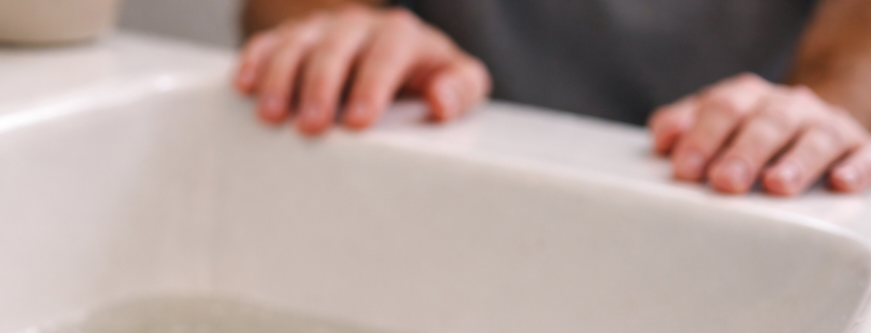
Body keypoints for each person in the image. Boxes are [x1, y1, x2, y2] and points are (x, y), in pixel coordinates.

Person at [234, 0, 871, 196]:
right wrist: (345, 39)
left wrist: (823, 111)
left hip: (732, 199)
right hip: (419, 185)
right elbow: (287, 12)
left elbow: (854, 55)